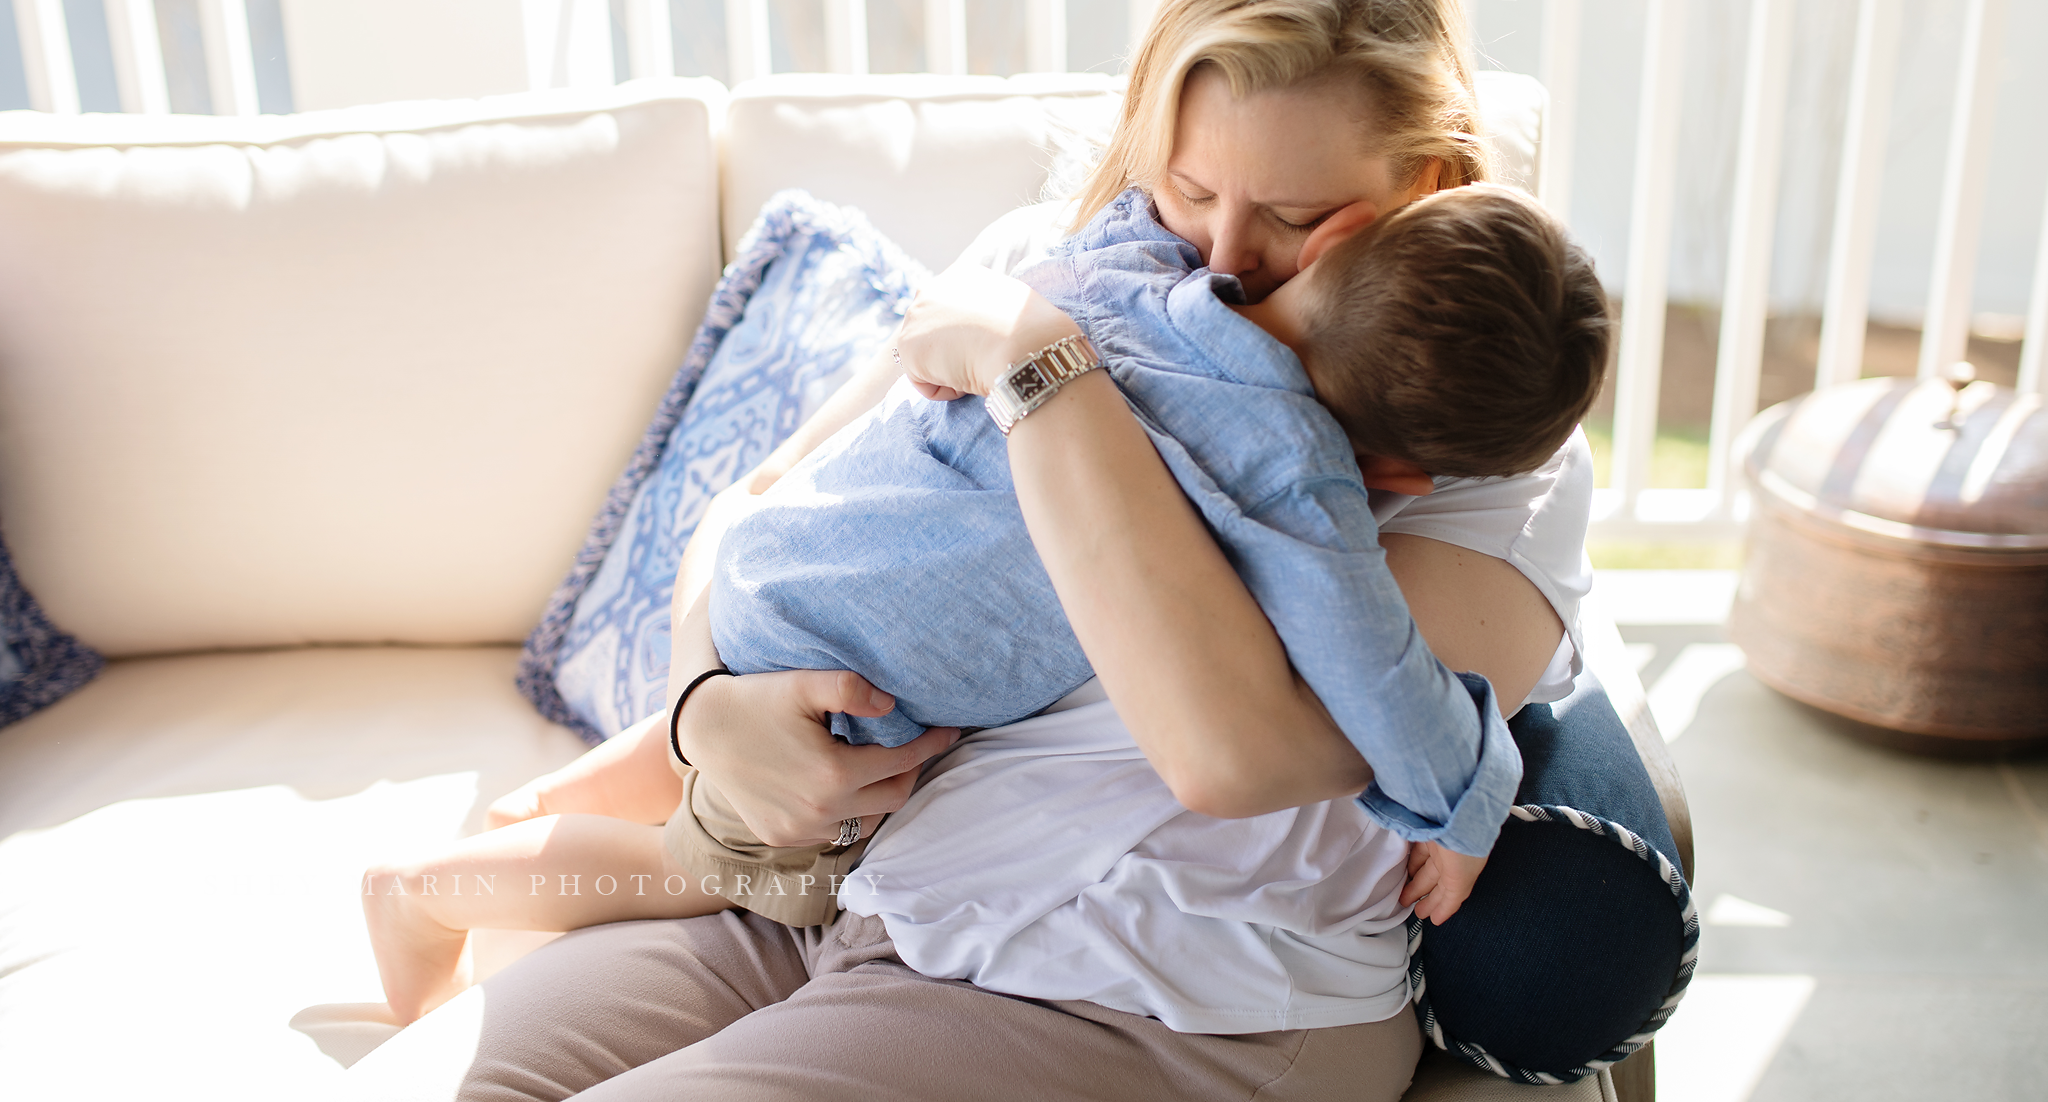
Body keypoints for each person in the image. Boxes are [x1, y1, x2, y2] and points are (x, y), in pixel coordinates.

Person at [344, 0, 1600, 1102]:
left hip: (1152, 984)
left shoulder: (1483, 462)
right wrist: (702, 704)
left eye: (1294, 217)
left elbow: (1233, 753)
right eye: (1189, 188)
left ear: (1431, 181)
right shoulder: (1050, 264)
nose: (1216, 266)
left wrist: (1036, 369)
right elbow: (766, 500)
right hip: (861, 894)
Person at [361, 181, 1608, 1021]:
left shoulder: (1119, 261)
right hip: (848, 680)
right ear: (1400, 477)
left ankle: (526, 809)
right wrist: (1468, 789)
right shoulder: (1297, 481)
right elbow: (1378, 668)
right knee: (705, 867)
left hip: (785, 569)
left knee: (684, 757)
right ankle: (432, 888)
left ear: (1332, 243)